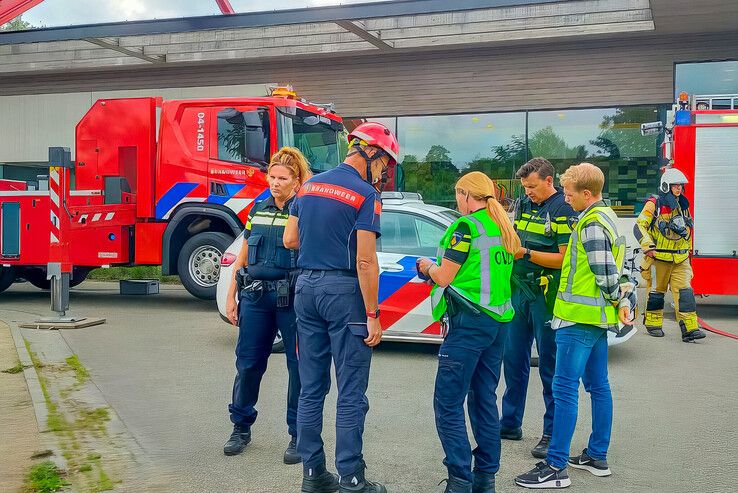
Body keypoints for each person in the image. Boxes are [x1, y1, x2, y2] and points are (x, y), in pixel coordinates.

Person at [283, 122, 399, 493]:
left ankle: (313, 475)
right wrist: (373, 315)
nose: (383, 172)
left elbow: (290, 239)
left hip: (306, 288)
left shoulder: (309, 185)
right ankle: (351, 478)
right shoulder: (366, 195)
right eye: (385, 164)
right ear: (371, 153)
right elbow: (366, 262)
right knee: (350, 391)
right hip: (343, 292)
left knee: (311, 388)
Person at [514, 163, 635, 489]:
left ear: (586, 193)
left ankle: (555, 467)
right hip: (596, 321)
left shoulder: (590, 224)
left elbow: (606, 273)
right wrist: (621, 303)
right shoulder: (609, 218)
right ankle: (597, 456)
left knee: (564, 389)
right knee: (598, 386)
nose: (565, 200)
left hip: (576, 320)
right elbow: (621, 271)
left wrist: (616, 299)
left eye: (569, 195)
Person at [417, 171, 520, 493]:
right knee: (484, 399)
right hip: (497, 323)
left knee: (447, 404)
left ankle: (459, 480)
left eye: (457, 195)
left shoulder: (466, 227)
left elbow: (445, 276)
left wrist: (426, 267)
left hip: (468, 324)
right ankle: (484, 478)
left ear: (465, 194)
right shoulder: (502, 226)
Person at [222, 147, 311, 462]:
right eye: (271, 177)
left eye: (282, 178)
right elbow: (244, 253)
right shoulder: (257, 208)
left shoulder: (305, 210)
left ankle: (298, 435)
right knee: (247, 365)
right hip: (255, 298)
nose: (275, 183)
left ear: (297, 180)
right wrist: (232, 293)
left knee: (299, 368)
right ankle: (240, 427)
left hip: (293, 299)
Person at [500, 158, 577, 460]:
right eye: (524, 187)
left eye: (532, 186)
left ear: (549, 181)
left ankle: (551, 433)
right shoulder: (522, 203)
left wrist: (526, 253)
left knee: (550, 366)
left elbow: (564, 258)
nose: (528, 192)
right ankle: (509, 423)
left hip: (547, 295)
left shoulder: (563, 209)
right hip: (519, 291)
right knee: (513, 360)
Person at [634, 167, 706, 342]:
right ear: (666, 186)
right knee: (657, 293)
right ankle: (653, 323)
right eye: (675, 186)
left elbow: (686, 229)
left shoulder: (683, 205)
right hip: (659, 258)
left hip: (680, 258)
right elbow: (639, 226)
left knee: (685, 293)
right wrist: (648, 246)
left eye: (681, 186)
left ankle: (690, 329)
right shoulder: (655, 204)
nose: (679, 189)